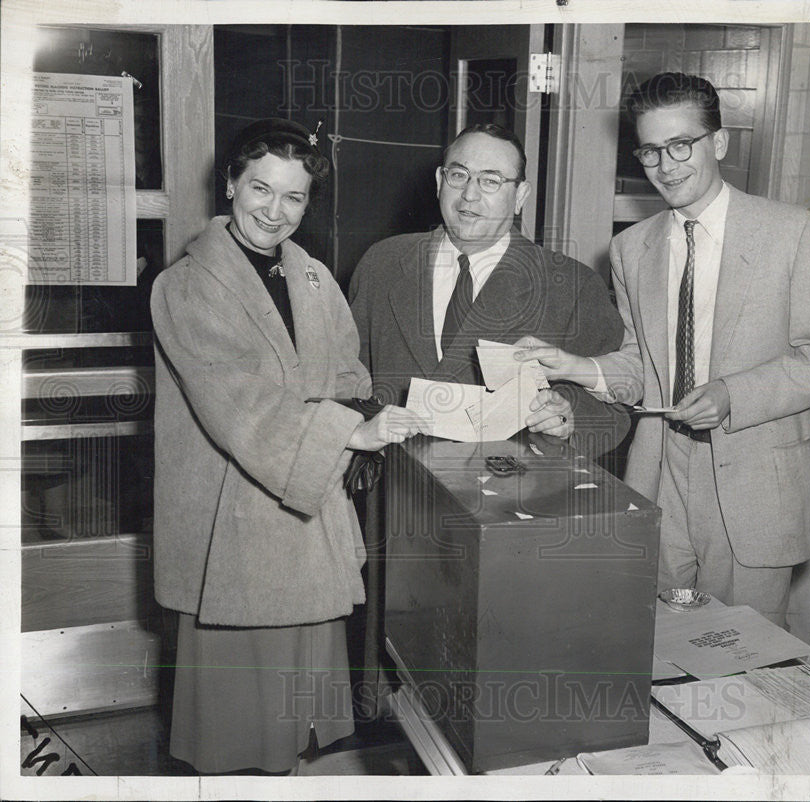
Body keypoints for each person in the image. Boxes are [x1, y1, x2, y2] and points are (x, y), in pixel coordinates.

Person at [516, 74, 810, 625]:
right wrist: (577, 367)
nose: (666, 166)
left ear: (718, 143)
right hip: (660, 474)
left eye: (682, 145)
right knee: (652, 643)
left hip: (754, 485)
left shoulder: (793, 232)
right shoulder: (631, 248)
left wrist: (732, 394)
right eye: (651, 151)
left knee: (743, 653)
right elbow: (640, 363)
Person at [150, 118, 427, 774]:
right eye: (260, 189)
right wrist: (350, 431)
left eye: (294, 198)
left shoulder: (313, 279)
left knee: (303, 730)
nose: (274, 212)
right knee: (235, 731)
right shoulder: (186, 285)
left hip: (304, 517)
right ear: (230, 184)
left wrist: (368, 409)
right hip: (231, 526)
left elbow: (348, 374)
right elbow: (239, 407)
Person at [349, 123, 629, 458]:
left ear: (520, 196)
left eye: (491, 180)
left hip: (508, 496)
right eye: (459, 175)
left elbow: (615, 411)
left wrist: (569, 417)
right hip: (391, 490)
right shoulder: (383, 264)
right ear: (440, 182)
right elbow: (345, 379)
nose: (469, 194)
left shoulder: (571, 285)